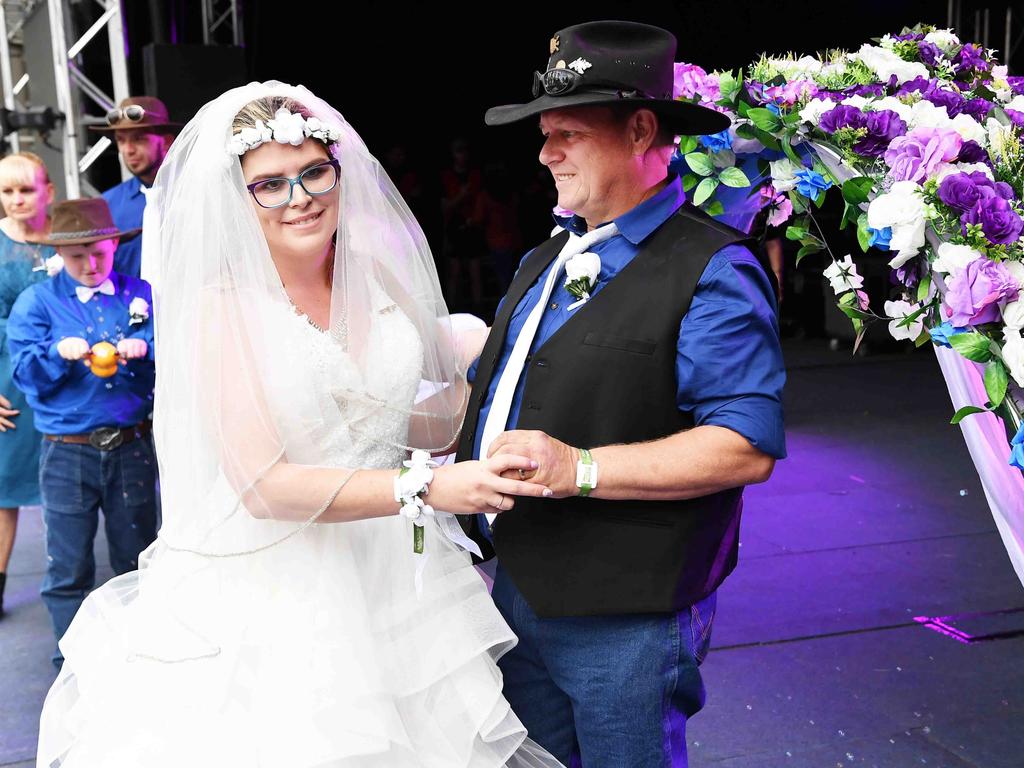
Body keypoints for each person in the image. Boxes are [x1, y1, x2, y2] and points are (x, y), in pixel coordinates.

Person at [36, 82, 565, 767]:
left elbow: (403, 420)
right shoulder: (221, 310)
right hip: (280, 588)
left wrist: (489, 375)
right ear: (237, 199)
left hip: (397, 574)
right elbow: (266, 487)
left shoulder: (375, 278)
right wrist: (429, 490)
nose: (300, 197)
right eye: (271, 184)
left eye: (315, 172)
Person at [457, 21, 786, 767]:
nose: (545, 153)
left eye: (567, 133)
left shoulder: (712, 267)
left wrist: (581, 468)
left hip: (626, 618)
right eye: (544, 134)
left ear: (641, 129)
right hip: (517, 594)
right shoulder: (548, 256)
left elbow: (744, 446)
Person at [5, 198, 157, 665]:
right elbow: (27, 377)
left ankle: (141, 655)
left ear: (114, 244)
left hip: (132, 445)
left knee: (138, 561)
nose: (90, 265)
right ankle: (74, 667)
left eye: (99, 252)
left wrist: (146, 347)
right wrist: (56, 353)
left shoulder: (140, 293)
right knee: (69, 567)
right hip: (68, 452)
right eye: (77, 257)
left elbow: (173, 348)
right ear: (59, 256)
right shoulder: (38, 302)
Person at [0, 152, 56, 618]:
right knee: (4, 491)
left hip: (66, 377)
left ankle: (80, 583)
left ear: (47, 192)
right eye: (8, 191)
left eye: (26, 190)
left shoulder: (67, 238)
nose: (17, 200)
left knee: (71, 480)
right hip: (8, 384)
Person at [93, 96, 180, 279]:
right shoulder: (106, 205)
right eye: (121, 140)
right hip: (129, 305)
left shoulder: (195, 194)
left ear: (166, 141)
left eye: (139, 139)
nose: (128, 149)